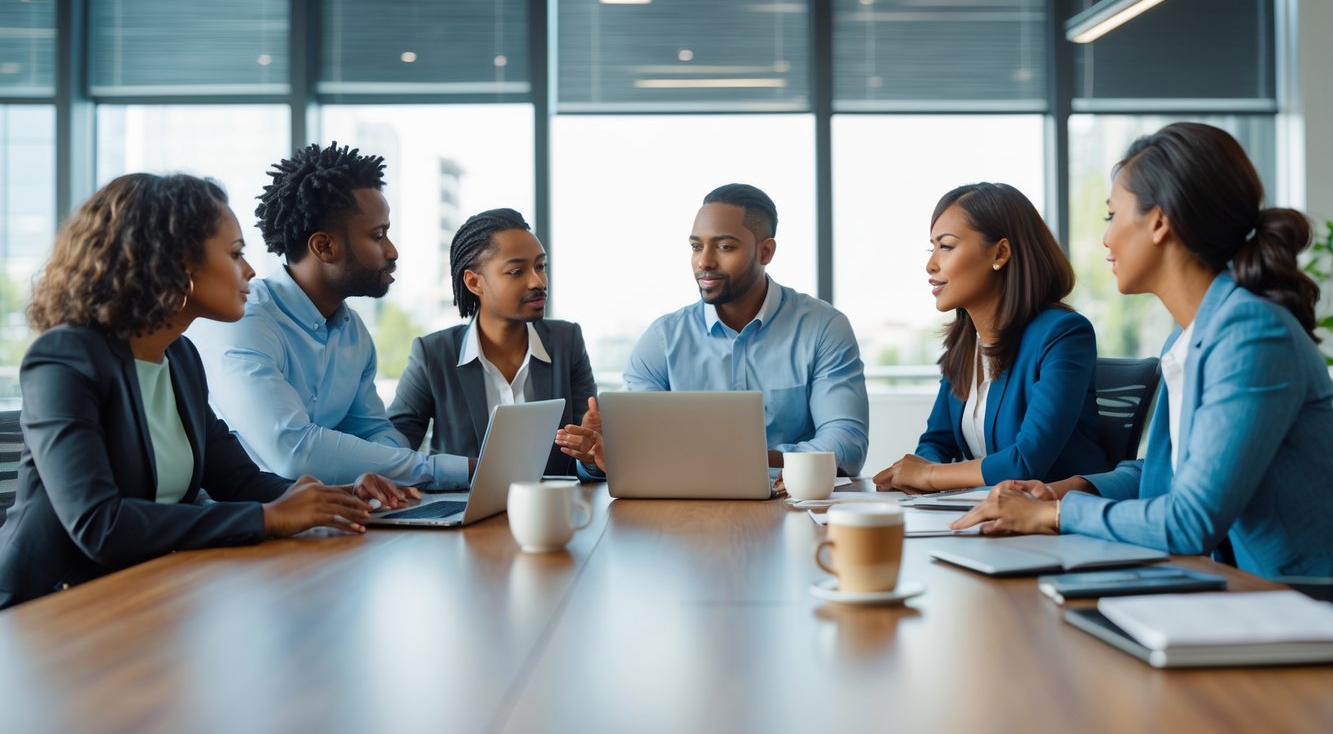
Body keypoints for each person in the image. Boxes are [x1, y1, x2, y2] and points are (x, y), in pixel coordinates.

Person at [0, 174, 413, 609]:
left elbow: (238, 479)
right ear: (177, 263)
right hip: (44, 608)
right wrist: (268, 518)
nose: (251, 270)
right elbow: (99, 524)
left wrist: (341, 497)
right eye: (235, 254)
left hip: (148, 595)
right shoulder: (65, 359)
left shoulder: (180, 358)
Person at [953, 123, 1333, 578]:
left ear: (1159, 221)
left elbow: (1191, 521)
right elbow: (1164, 475)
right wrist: (1062, 492)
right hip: (1228, 586)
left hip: (1296, 599)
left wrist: (1054, 517)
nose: (1106, 239)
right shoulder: (1191, 333)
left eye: (1113, 215)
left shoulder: (1251, 333)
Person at [190, 142, 468, 489]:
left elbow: (373, 431)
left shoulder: (354, 332)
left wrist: (376, 476)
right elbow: (294, 450)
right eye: (378, 235)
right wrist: (449, 470)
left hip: (324, 521)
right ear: (324, 247)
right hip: (244, 524)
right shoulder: (244, 321)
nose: (392, 250)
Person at [873, 183, 1109, 493]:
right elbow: (935, 443)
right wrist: (924, 470)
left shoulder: (1063, 333)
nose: (930, 264)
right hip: (989, 519)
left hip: (1059, 524)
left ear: (1000, 253)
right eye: (931, 248)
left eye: (945, 246)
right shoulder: (964, 344)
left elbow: (1025, 462)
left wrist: (929, 476)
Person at [623, 183, 869, 476]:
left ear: (765, 252)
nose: (705, 261)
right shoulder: (662, 339)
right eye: (696, 246)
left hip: (793, 507)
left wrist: (748, 458)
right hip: (689, 513)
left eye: (725, 247)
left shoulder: (823, 328)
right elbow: (635, 445)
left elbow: (847, 446)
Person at [387, 208, 603, 476]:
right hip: (466, 511)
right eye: (516, 271)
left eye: (540, 266)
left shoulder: (566, 341)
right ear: (474, 282)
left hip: (553, 511)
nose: (537, 281)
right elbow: (392, 454)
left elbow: (588, 455)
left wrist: (591, 457)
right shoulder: (433, 355)